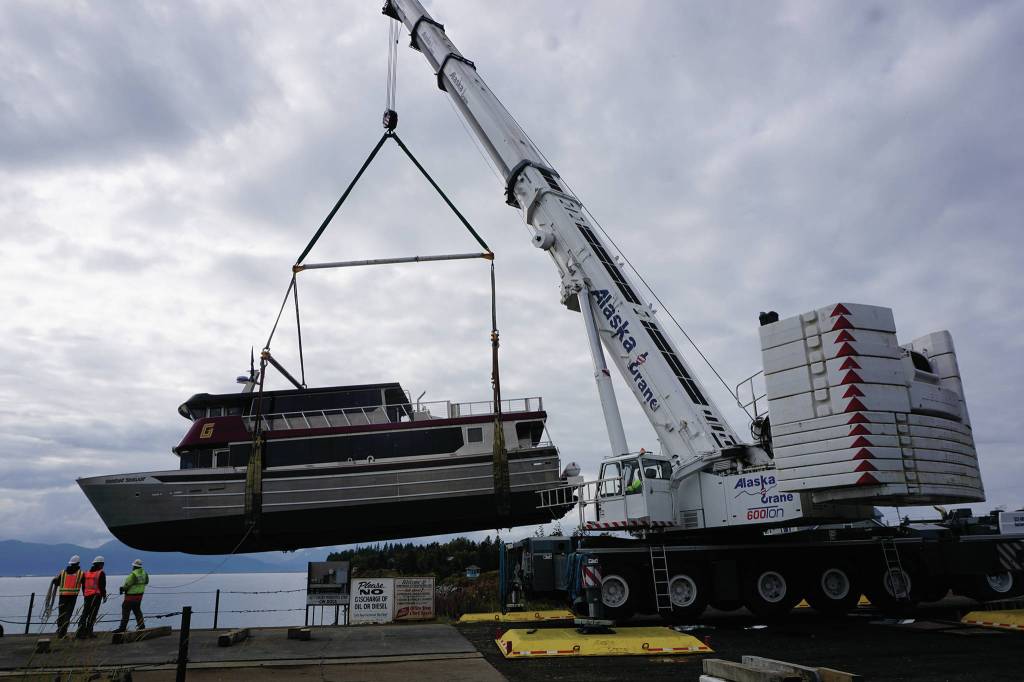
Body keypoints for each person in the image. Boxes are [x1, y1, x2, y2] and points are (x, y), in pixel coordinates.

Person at [50, 555, 85, 638]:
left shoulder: (62, 573)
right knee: (68, 615)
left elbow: (57, 583)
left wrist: (55, 580)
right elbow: (84, 585)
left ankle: (59, 630)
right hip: (72, 598)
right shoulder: (81, 574)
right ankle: (63, 632)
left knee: (61, 614)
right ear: (78, 563)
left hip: (62, 596)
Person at [114, 559, 149, 632]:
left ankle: (122, 628)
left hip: (130, 598)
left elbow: (127, 585)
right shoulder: (145, 574)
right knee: (137, 611)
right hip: (139, 597)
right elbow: (146, 582)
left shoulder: (133, 575)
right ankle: (141, 626)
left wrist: (122, 589)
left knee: (125, 611)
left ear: (134, 566)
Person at [76, 556, 107, 639]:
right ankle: (89, 632)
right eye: (102, 564)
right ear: (100, 564)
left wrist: (85, 594)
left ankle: (80, 632)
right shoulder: (101, 573)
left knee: (84, 614)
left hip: (87, 596)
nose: (103, 565)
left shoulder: (86, 573)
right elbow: (102, 586)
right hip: (96, 597)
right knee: (92, 615)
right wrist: (104, 596)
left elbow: (83, 586)